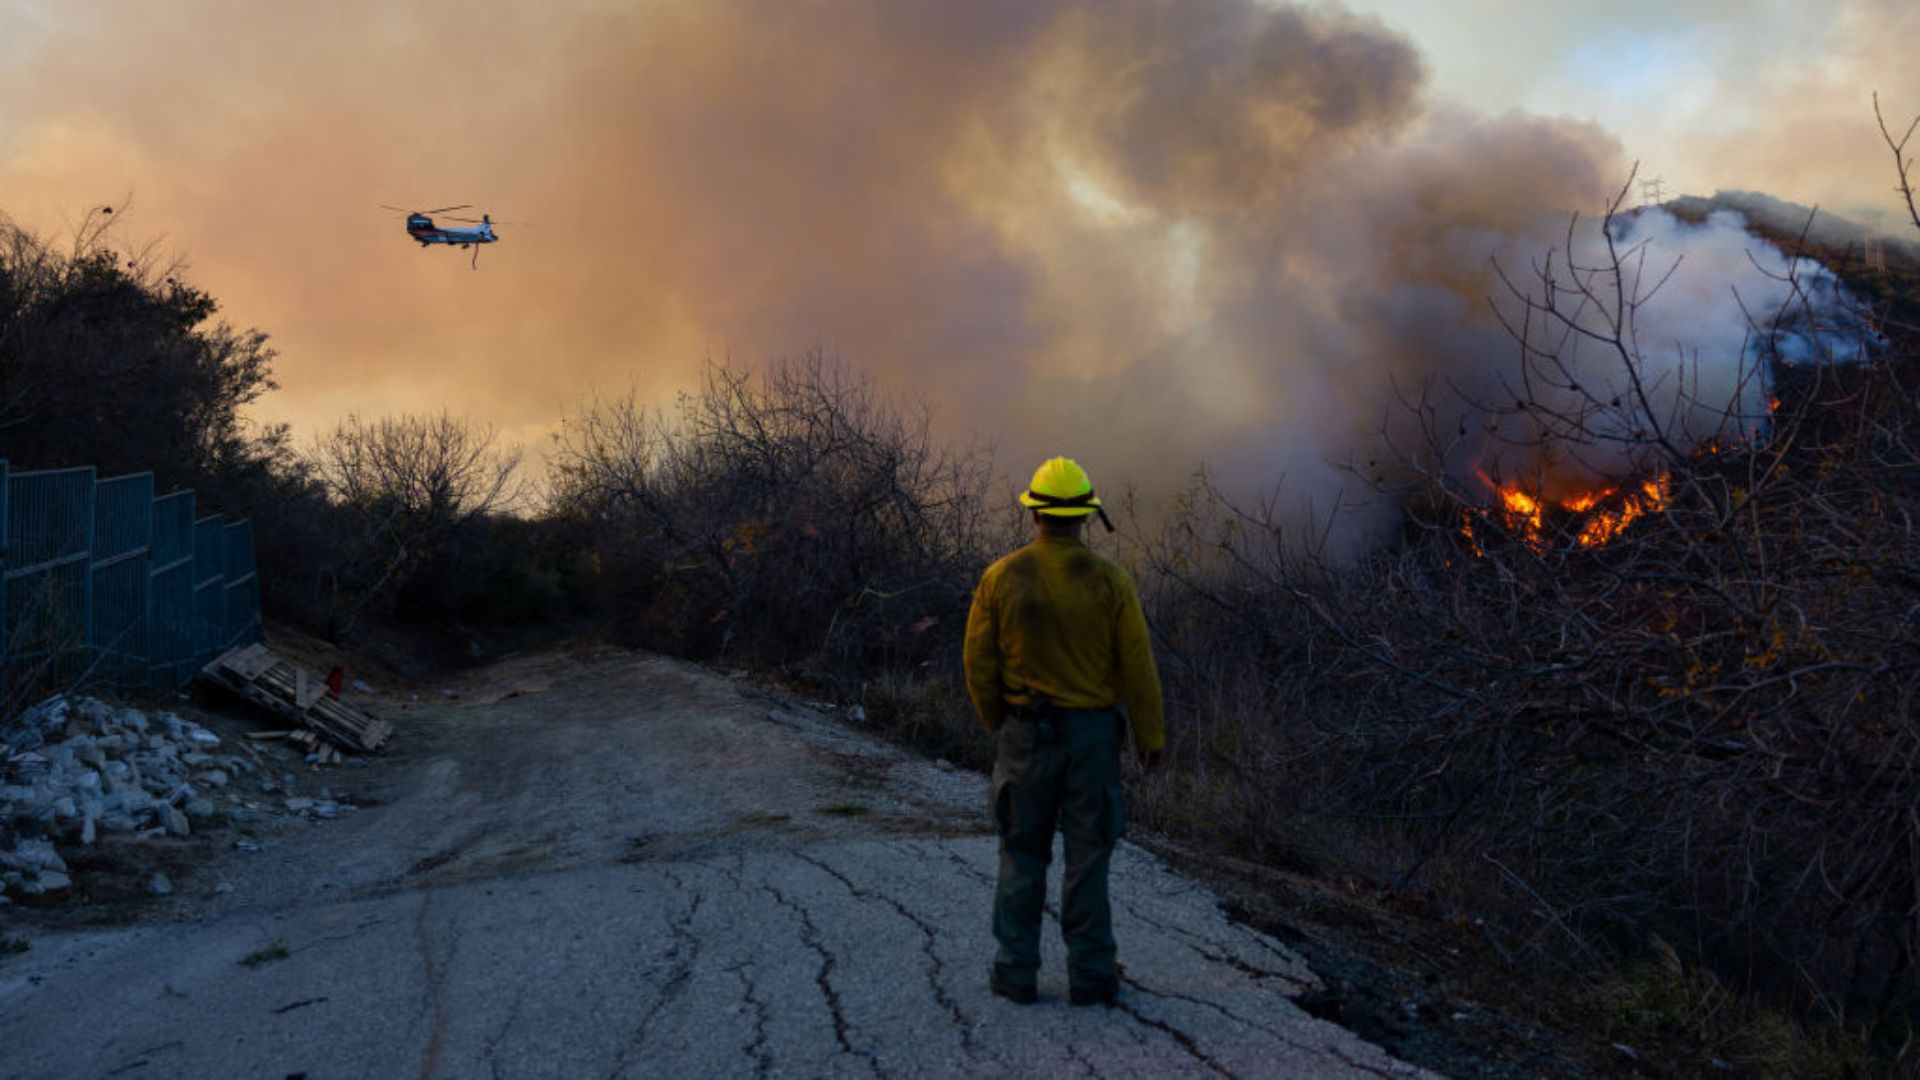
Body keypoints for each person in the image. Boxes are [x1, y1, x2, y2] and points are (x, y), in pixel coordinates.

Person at [963, 456, 1165, 1006]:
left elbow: (978, 663)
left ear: (1035, 515)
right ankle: (1094, 976)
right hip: (1092, 742)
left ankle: (1016, 973)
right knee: (1089, 858)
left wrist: (996, 722)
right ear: (1085, 518)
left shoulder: (1001, 578)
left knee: (1022, 856)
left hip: (1025, 738)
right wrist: (1151, 738)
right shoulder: (1111, 582)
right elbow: (1137, 668)